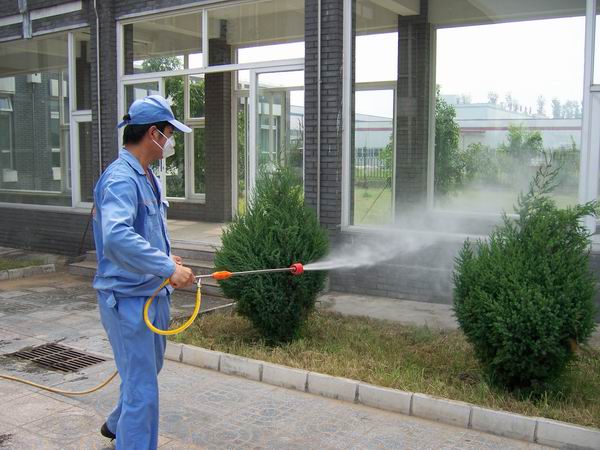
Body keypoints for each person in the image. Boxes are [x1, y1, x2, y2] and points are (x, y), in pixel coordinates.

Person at [93, 95, 195, 449]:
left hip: (152, 295)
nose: (171, 141)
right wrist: (165, 267)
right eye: (170, 133)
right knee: (143, 390)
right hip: (128, 301)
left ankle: (116, 425)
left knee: (145, 376)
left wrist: (166, 259)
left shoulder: (147, 176)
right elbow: (117, 237)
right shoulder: (121, 179)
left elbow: (141, 233)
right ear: (154, 133)